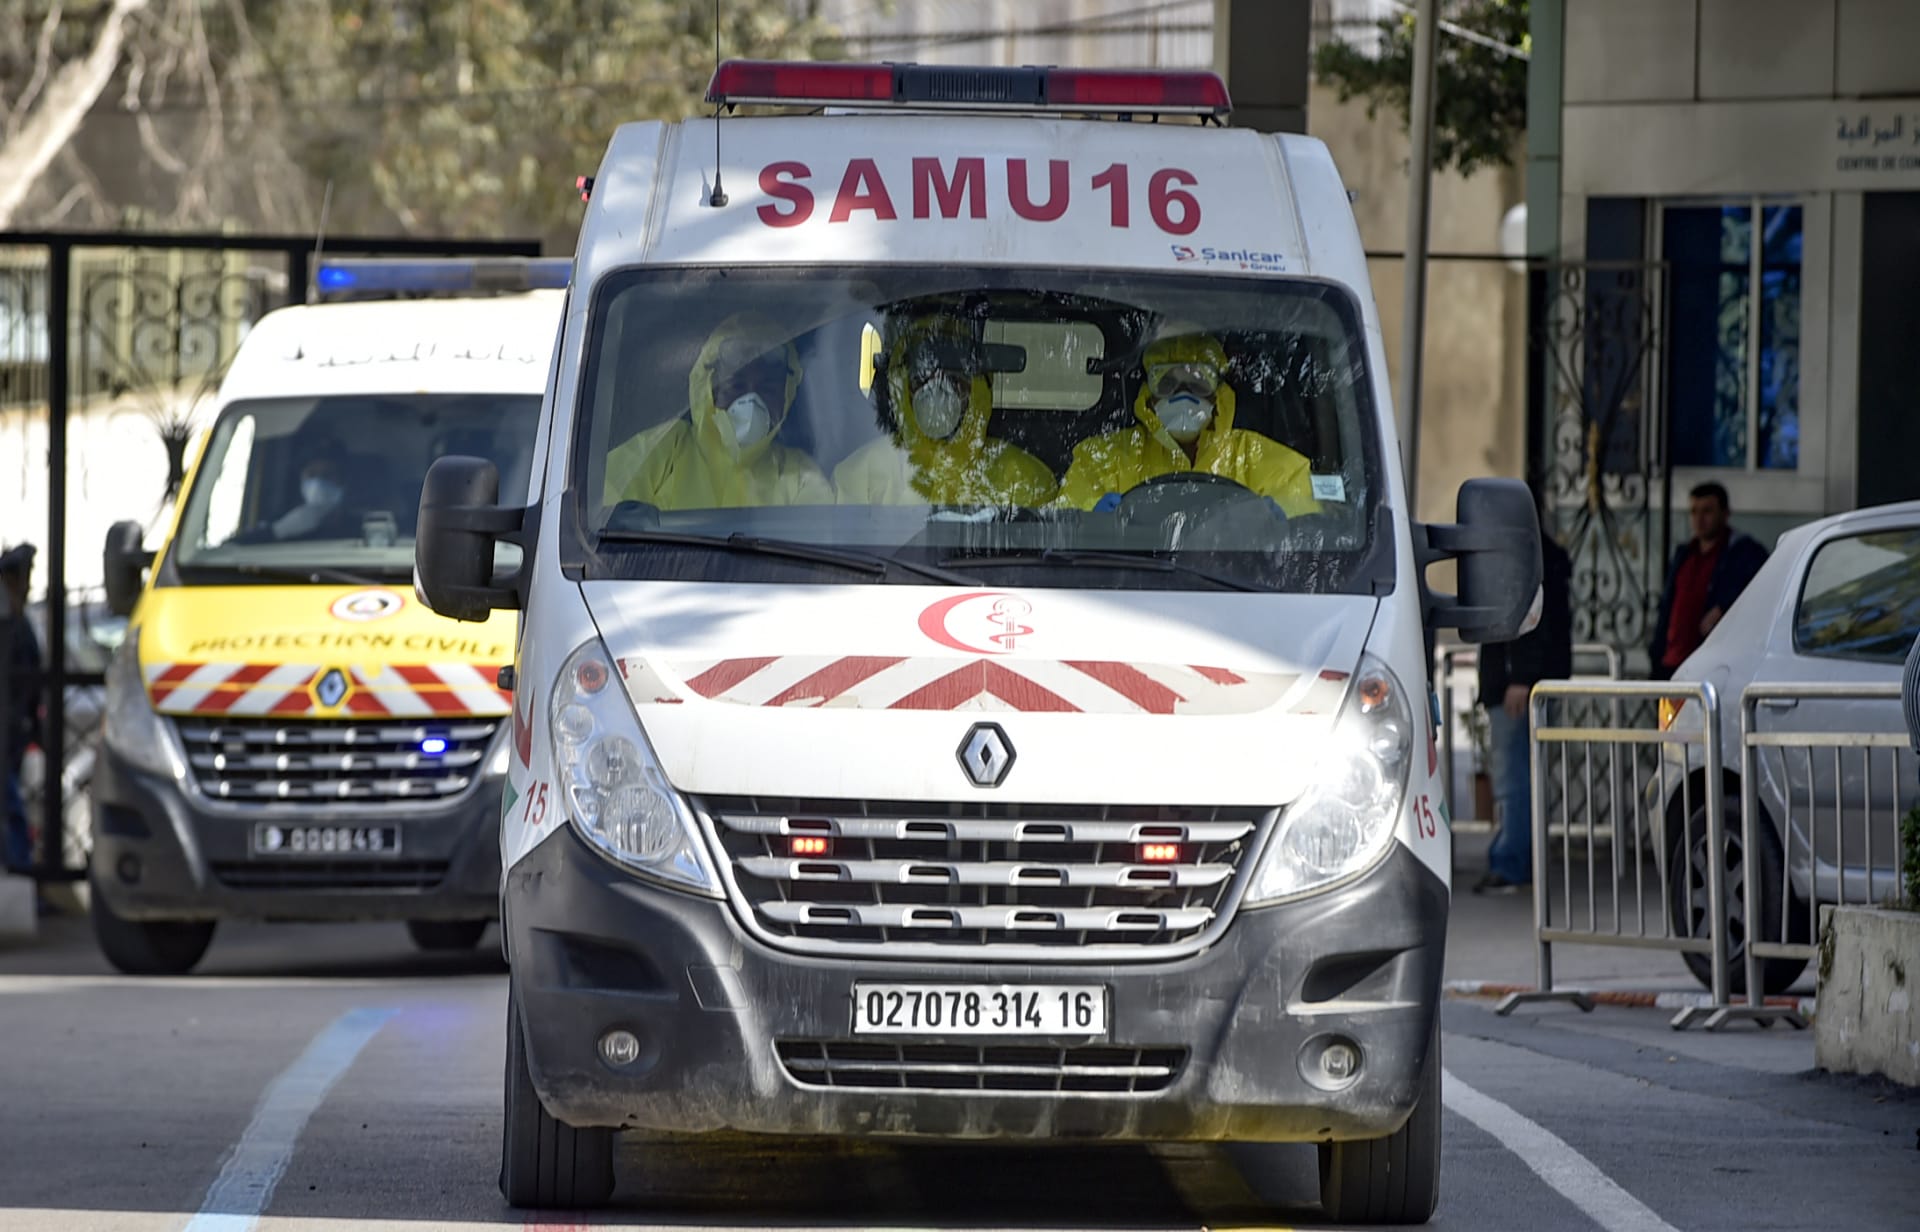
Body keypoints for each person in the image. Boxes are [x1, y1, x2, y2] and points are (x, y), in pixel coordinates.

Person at [1056, 327, 1319, 515]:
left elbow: (1303, 537)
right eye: (1167, 383)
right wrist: (1091, 523)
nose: (1183, 395)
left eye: (1198, 383)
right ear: (1148, 395)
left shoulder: (1266, 463)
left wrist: (1279, 527)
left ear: (1219, 395)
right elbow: (1065, 530)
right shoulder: (1102, 460)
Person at [604, 312, 832, 510]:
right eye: (737, 386)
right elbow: (605, 515)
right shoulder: (665, 447)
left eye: (767, 388)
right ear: (709, 390)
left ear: (786, 395)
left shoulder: (800, 474)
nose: (751, 400)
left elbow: (819, 535)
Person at [833, 315, 1056, 506]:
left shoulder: (1023, 478)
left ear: (976, 386)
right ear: (901, 383)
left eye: (954, 376)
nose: (938, 389)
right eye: (922, 376)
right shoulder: (862, 475)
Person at [1473, 506, 1573, 894]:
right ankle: (1521, 858)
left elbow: (1529, 623)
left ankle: (1512, 863)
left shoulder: (1523, 560)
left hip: (1518, 686)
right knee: (1525, 777)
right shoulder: (1540, 556)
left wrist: (1520, 677)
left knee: (1514, 779)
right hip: (1529, 682)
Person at [1649, 482, 1768, 680]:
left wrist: (1723, 608)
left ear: (1725, 513)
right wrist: (1656, 651)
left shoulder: (1742, 553)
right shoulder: (1684, 554)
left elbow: (1760, 589)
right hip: (1670, 662)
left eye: (1707, 511)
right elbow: (1668, 606)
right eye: (1694, 512)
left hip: (1708, 666)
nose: (1699, 519)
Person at [1, 543, 41, 876]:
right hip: (9, 724)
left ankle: (19, 865)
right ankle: (20, 865)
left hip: (13, 725)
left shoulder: (19, 621)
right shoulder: (11, 623)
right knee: (10, 801)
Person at [231, 453, 357, 544]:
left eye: (327, 475)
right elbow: (233, 547)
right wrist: (278, 531)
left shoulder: (358, 528)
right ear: (301, 481)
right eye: (311, 475)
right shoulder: (282, 523)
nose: (318, 482)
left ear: (343, 483)